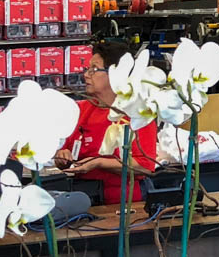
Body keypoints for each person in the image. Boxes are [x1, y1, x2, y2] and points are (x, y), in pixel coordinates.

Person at [53, 43, 158, 203]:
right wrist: (62, 157)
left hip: (123, 202)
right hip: (83, 198)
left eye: (94, 70)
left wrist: (99, 163)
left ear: (115, 74)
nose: (86, 75)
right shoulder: (80, 110)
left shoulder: (137, 112)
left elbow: (145, 166)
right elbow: (64, 152)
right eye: (87, 69)